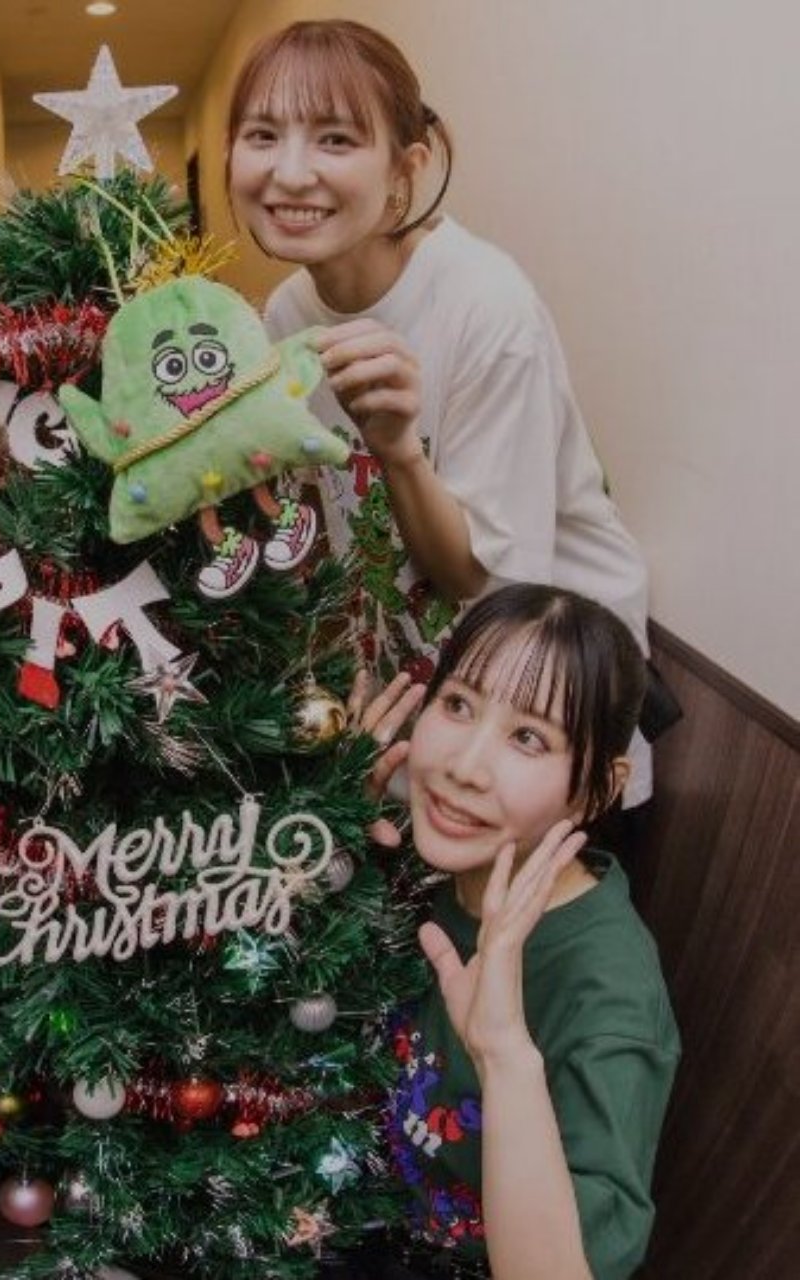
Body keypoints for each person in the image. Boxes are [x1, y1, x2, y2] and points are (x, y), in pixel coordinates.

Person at [225, 20, 655, 808]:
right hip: (419, 702)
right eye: (262, 134)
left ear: (406, 167)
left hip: (547, 711)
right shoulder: (287, 313)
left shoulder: (485, 305)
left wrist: (398, 449)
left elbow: (486, 585)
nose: (289, 172)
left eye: (334, 139)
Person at [347, 584, 679, 1280]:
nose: (463, 768)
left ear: (597, 789)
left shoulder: (609, 990)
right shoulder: (427, 861)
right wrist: (332, 844)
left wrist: (501, 1052)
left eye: (529, 737)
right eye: (458, 705)